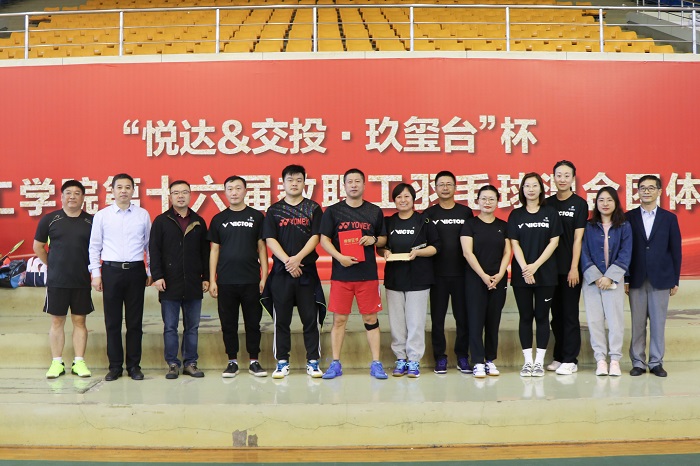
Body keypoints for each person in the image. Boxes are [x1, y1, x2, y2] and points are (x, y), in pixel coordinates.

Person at [319, 168, 389, 380]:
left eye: (358, 181)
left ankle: (376, 363)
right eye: (350, 181)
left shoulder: (374, 211)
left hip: (367, 275)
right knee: (339, 320)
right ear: (344, 185)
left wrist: (373, 240)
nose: (354, 185)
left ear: (364, 185)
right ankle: (335, 363)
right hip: (341, 275)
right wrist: (339, 257)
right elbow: (324, 240)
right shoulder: (333, 211)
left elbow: (383, 238)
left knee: (370, 318)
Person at [263, 165, 325, 379]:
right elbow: (270, 239)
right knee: (282, 321)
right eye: (290, 180)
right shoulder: (274, 210)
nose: (294, 183)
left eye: (299, 180)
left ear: (304, 183)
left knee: (310, 319)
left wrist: (298, 259)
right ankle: (282, 362)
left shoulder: (313, 208)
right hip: (281, 273)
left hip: (307, 273)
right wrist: (288, 262)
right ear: (283, 183)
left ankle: (313, 362)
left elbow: (316, 237)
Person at [89, 173, 152, 381]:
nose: (123, 191)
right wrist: (96, 274)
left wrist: (150, 271)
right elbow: (94, 247)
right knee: (112, 322)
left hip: (136, 271)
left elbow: (149, 246)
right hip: (111, 271)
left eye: (127, 187)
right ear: (112, 190)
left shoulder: (142, 215)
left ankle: (134, 366)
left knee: (135, 322)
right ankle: (115, 366)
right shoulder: (102, 216)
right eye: (119, 187)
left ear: (133, 190)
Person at [209, 176, 269, 378]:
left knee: (253, 323)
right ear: (225, 192)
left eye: (238, 188)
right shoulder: (218, 219)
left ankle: (254, 361)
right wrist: (213, 279)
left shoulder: (257, 217)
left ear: (245, 191)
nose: (234, 192)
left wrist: (264, 277)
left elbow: (262, 248)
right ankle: (232, 362)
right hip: (226, 281)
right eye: (230, 189)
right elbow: (214, 250)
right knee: (228, 324)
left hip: (251, 280)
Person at [378, 183, 440, 378]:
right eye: (399, 197)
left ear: (413, 199)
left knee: (415, 321)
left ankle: (413, 359)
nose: (403, 200)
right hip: (395, 278)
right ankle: (400, 358)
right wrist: (384, 252)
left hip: (419, 278)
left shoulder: (424, 220)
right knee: (396, 322)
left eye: (406, 196)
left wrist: (418, 253)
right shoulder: (389, 222)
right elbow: (381, 246)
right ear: (394, 200)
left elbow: (435, 247)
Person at [33, 180, 94, 379]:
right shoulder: (50, 219)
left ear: (83, 197)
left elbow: (97, 249)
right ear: (61, 196)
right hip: (57, 281)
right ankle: (57, 363)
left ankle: (79, 362)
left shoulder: (91, 221)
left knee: (80, 321)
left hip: (81, 280)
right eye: (68, 193)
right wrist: (52, 264)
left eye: (77, 193)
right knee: (57, 321)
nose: (72, 196)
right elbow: (38, 246)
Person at [149, 180, 210, 379]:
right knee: (170, 327)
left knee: (192, 327)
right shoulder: (161, 221)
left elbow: (205, 252)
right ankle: (173, 364)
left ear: (191, 195)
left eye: (184, 192)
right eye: (176, 193)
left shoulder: (199, 221)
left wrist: (206, 277)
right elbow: (154, 250)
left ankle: (190, 363)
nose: (180, 196)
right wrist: (157, 276)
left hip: (193, 282)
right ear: (170, 196)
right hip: (169, 283)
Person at [626, 175, 682, 377]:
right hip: (636, 277)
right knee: (637, 323)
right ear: (638, 192)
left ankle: (656, 362)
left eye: (651, 188)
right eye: (642, 188)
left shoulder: (669, 218)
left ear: (659, 191)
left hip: (662, 278)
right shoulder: (629, 217)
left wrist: (675, 279)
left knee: (658, 323)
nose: (646, 191)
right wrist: (625, 278)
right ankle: (638, 362)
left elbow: (675, 250)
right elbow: (625, 249)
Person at [508, 173, 562, 377]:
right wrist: (525, 269)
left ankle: (539, 362)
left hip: (545, 274)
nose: (530, 189)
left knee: (541, 316)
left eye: (534, 185)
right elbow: (514, 243)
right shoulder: (516, 215)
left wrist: (535, 266)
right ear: (522, 190)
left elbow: (554, 242)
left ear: (541, 189)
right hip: (522, 275)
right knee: (525, 317)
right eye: (527, 186)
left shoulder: (550, 213)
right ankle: (527, 362)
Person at [424, 170, 473, 374]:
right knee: (438, 319)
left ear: (455, 187)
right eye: (441, 185)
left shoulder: (465, 212)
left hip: (462, 274)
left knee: (463, 318)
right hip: (437, 275)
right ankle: (440, 357)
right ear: (435, 188)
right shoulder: (429, 214)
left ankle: (462, 356)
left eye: (449, 184)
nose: (445, 188)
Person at [581, 187, 632, 376]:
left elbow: (626, 253)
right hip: (592, 281)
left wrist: (610, 276)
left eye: (609, 200)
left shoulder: (624, 226)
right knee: (594, 321)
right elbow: (583, 252)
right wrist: (596, 276)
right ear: (596, 203)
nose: (605, 203)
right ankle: (601, 360)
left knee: (615, 321)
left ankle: (615, 360)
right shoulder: (588, 226)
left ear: (615, 202)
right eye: (601, 200)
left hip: (614, 280)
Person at [461, 185, 511, 378]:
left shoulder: (503, 226)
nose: (487, 202)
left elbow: (507, 252)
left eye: (491, 199)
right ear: (477, 201)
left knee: (493, 320)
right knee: (475, 321)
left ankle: (490, 360)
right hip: (475, 278)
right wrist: (483, 275)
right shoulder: (470, 224)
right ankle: (477, 361)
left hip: (498, 279)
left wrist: (500, 274)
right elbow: (467, 253)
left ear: (497, 202)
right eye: (484, 198)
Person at [546, 160, 588, 376]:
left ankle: (571, 359)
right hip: (550, 270)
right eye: (558, 175)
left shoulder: (579, 204)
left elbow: (578, 239)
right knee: (556, 315)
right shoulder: (547, 203)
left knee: (570, 314)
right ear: (553, 177)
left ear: (573, 178)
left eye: (566, 175)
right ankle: (559, 356)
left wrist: (574, 267)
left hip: (570, 268)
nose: (562, 179)